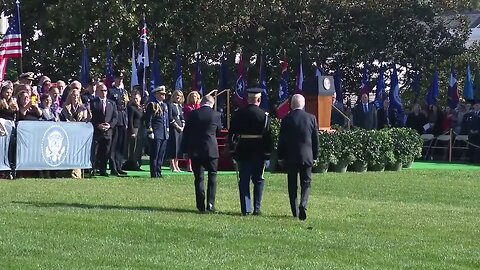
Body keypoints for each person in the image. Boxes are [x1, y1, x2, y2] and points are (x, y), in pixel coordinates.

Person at [228, 88, 273, 216]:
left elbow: (231, 134)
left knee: (244, 180)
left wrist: (232, 151)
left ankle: (246, 208)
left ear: (248, 99)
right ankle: (257, 208)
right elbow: (268, 136)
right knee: (258, 179)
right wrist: (268, 154)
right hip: (259, 151)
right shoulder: (264, 115)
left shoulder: (239, 113)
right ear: (259, 100)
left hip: (243, 150)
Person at [277, 94, 318, 220]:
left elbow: (282, 140)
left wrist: (280, 156)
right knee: (306, 183)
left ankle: (295, 212)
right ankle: (303, 204)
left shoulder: (286, 119)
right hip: (307, 156)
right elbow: (315, 140)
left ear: (291, 104)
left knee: (292, 185)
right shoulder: (311, 118)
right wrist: (315, 155)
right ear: (303, 104)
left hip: (291, 157)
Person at [181, 95, 222, 213]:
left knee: (199, 178)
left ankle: (200, 205)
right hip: (211, 150)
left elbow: (186, 133)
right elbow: (218, 131)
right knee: (212, 177)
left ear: (202, 102)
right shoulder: (217, 115)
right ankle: (210, 204)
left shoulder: (193, 114)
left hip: (196, 150)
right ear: (212, 103)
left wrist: (184, 150)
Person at [90, 83, 117, 177]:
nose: (104, 92)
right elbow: (91, 117)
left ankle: (103, 170)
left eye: (105, 90)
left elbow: (115, 117)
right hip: (97, 132)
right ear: (97, 92)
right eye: (102, 90)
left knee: (105, 152)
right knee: (95, 152)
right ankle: (93, 169)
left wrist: (109, 125)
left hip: (108, 132)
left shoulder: (112, 103)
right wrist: (98, 125)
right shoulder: (93, 102)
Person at [145, 86, 172, 178]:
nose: (163, 96)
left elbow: (166, 119)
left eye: (164, 94)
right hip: (156, 133)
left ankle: (159, 172)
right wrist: (150, 131)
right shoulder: (152, 104)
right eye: (161, 94)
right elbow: (148, 119)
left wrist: (167, 130)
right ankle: (154, 173)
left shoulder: (165, 105)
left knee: (161, 155)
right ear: (156, 94)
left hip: (164, 133)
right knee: (155, 155)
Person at [108, 70, 129, 176]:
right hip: (116, 120)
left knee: (121, 145)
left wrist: (127, 121)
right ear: (115, 79)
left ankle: (119, 166)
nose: (120, 80)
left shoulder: (124, 92)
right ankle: (113, 167)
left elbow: (125, 107)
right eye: (118, 78)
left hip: (123, 119)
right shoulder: (111, 91)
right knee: (114, 146)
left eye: (121, 78)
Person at [166, 90, 185, 172]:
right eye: (176, 95)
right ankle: (172, 165)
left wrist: (183, 125)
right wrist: (177, 126)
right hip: (173, 128)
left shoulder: (180, 106)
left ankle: (177, 165)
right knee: (173, 146)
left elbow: (182, 117)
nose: (178, 97)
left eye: (179, 96)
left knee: (179, 146)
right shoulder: (170, 105)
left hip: (180, 129)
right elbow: (170, 118)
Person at [125, 91, 144, 170]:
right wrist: (132, 132)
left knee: (139, 148)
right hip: (135, 129)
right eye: (133, 98)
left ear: (140, 98)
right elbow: (130, 120)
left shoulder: (141, 108)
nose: (135, 100)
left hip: (141, 129)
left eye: (136, 98)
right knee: (134, 148)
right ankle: (133, 164)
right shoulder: (131, 108)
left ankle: (138, 163)